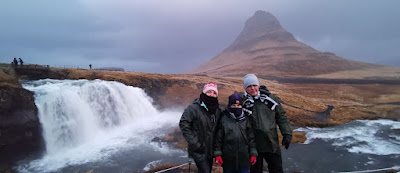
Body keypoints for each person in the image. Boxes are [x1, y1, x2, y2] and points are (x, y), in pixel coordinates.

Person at [242, 74, 292, 173]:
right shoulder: (243, 102)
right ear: (245, 88)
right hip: (253, 146)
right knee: (255, 171)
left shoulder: (270, 99)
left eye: (254, 85)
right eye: (249, 86)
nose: (252, 88)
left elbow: (281, 117)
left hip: (271, 142)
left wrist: (287, 134)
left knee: (276, 169)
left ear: (258, 85)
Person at [179, 82, 222, 173]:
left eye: (214, 93)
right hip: (198, 150)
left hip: (210, 150)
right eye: (209, 92)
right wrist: (195, 143)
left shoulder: (217, 110)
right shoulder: (193, 108)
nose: (212, 95)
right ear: (204, 93)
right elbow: (184, 123)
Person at [214, 93, 258, 173]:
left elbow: (251, 138)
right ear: (229, 106)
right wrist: (218, 154)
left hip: (244, 159)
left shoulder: (246, 120)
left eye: (238, 106)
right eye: (233, 105)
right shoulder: (224, 119)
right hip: (228, 160)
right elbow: (218, 139)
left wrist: (253, 153)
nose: (236, 108)